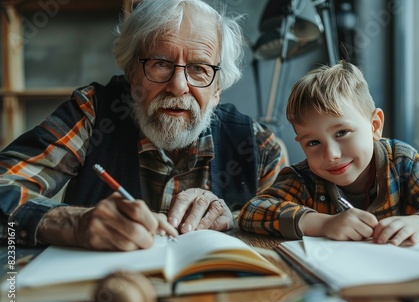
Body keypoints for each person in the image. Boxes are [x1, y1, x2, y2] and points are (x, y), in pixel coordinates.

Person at [0, 0, 284, 251]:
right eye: (160, 63)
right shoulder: (93, 114)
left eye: (199, 68)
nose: (178, 86)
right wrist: (75, 222)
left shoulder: (259, 149)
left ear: (218, 89)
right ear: (132, 73)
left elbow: (294, 221)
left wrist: (233, 219)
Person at [238, 61, 419, 246]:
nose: (332, 154)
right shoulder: (303, 178)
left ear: (374, 126)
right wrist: (323, 224)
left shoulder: (401, 163)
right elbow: (251, 212)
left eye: (342, 133)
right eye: (313, 142)